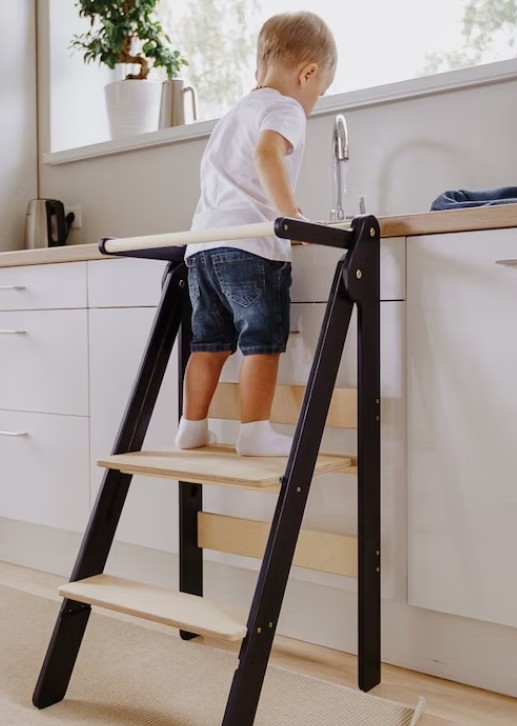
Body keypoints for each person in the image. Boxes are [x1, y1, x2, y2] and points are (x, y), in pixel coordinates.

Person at [175, 11, 337, 457]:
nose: (312, 103)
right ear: (308, 74)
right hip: (250, 247)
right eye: (318, 94)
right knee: (261, 342)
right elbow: (268, 155)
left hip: (202, 248)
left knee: (207, 345)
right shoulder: (285, 108)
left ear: (259, 68)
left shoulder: (232, 115)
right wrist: (293, 217)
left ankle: (192, 427)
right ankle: (254, 432)